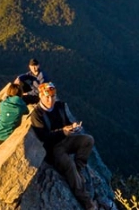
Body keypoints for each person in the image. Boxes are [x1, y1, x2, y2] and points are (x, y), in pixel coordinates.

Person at [30, 82, 97, 210]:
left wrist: (73, 127)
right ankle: (87, 201)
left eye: (53, 96)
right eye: (47, 97)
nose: (50, 100)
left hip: (66, 140)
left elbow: (67, 122)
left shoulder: (60, 106)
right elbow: (44, 137)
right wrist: (63, 131)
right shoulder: (37, 114)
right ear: (40, 96)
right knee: (69, 165)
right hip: (54, 148)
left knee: (88, 140)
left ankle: (79, 168)